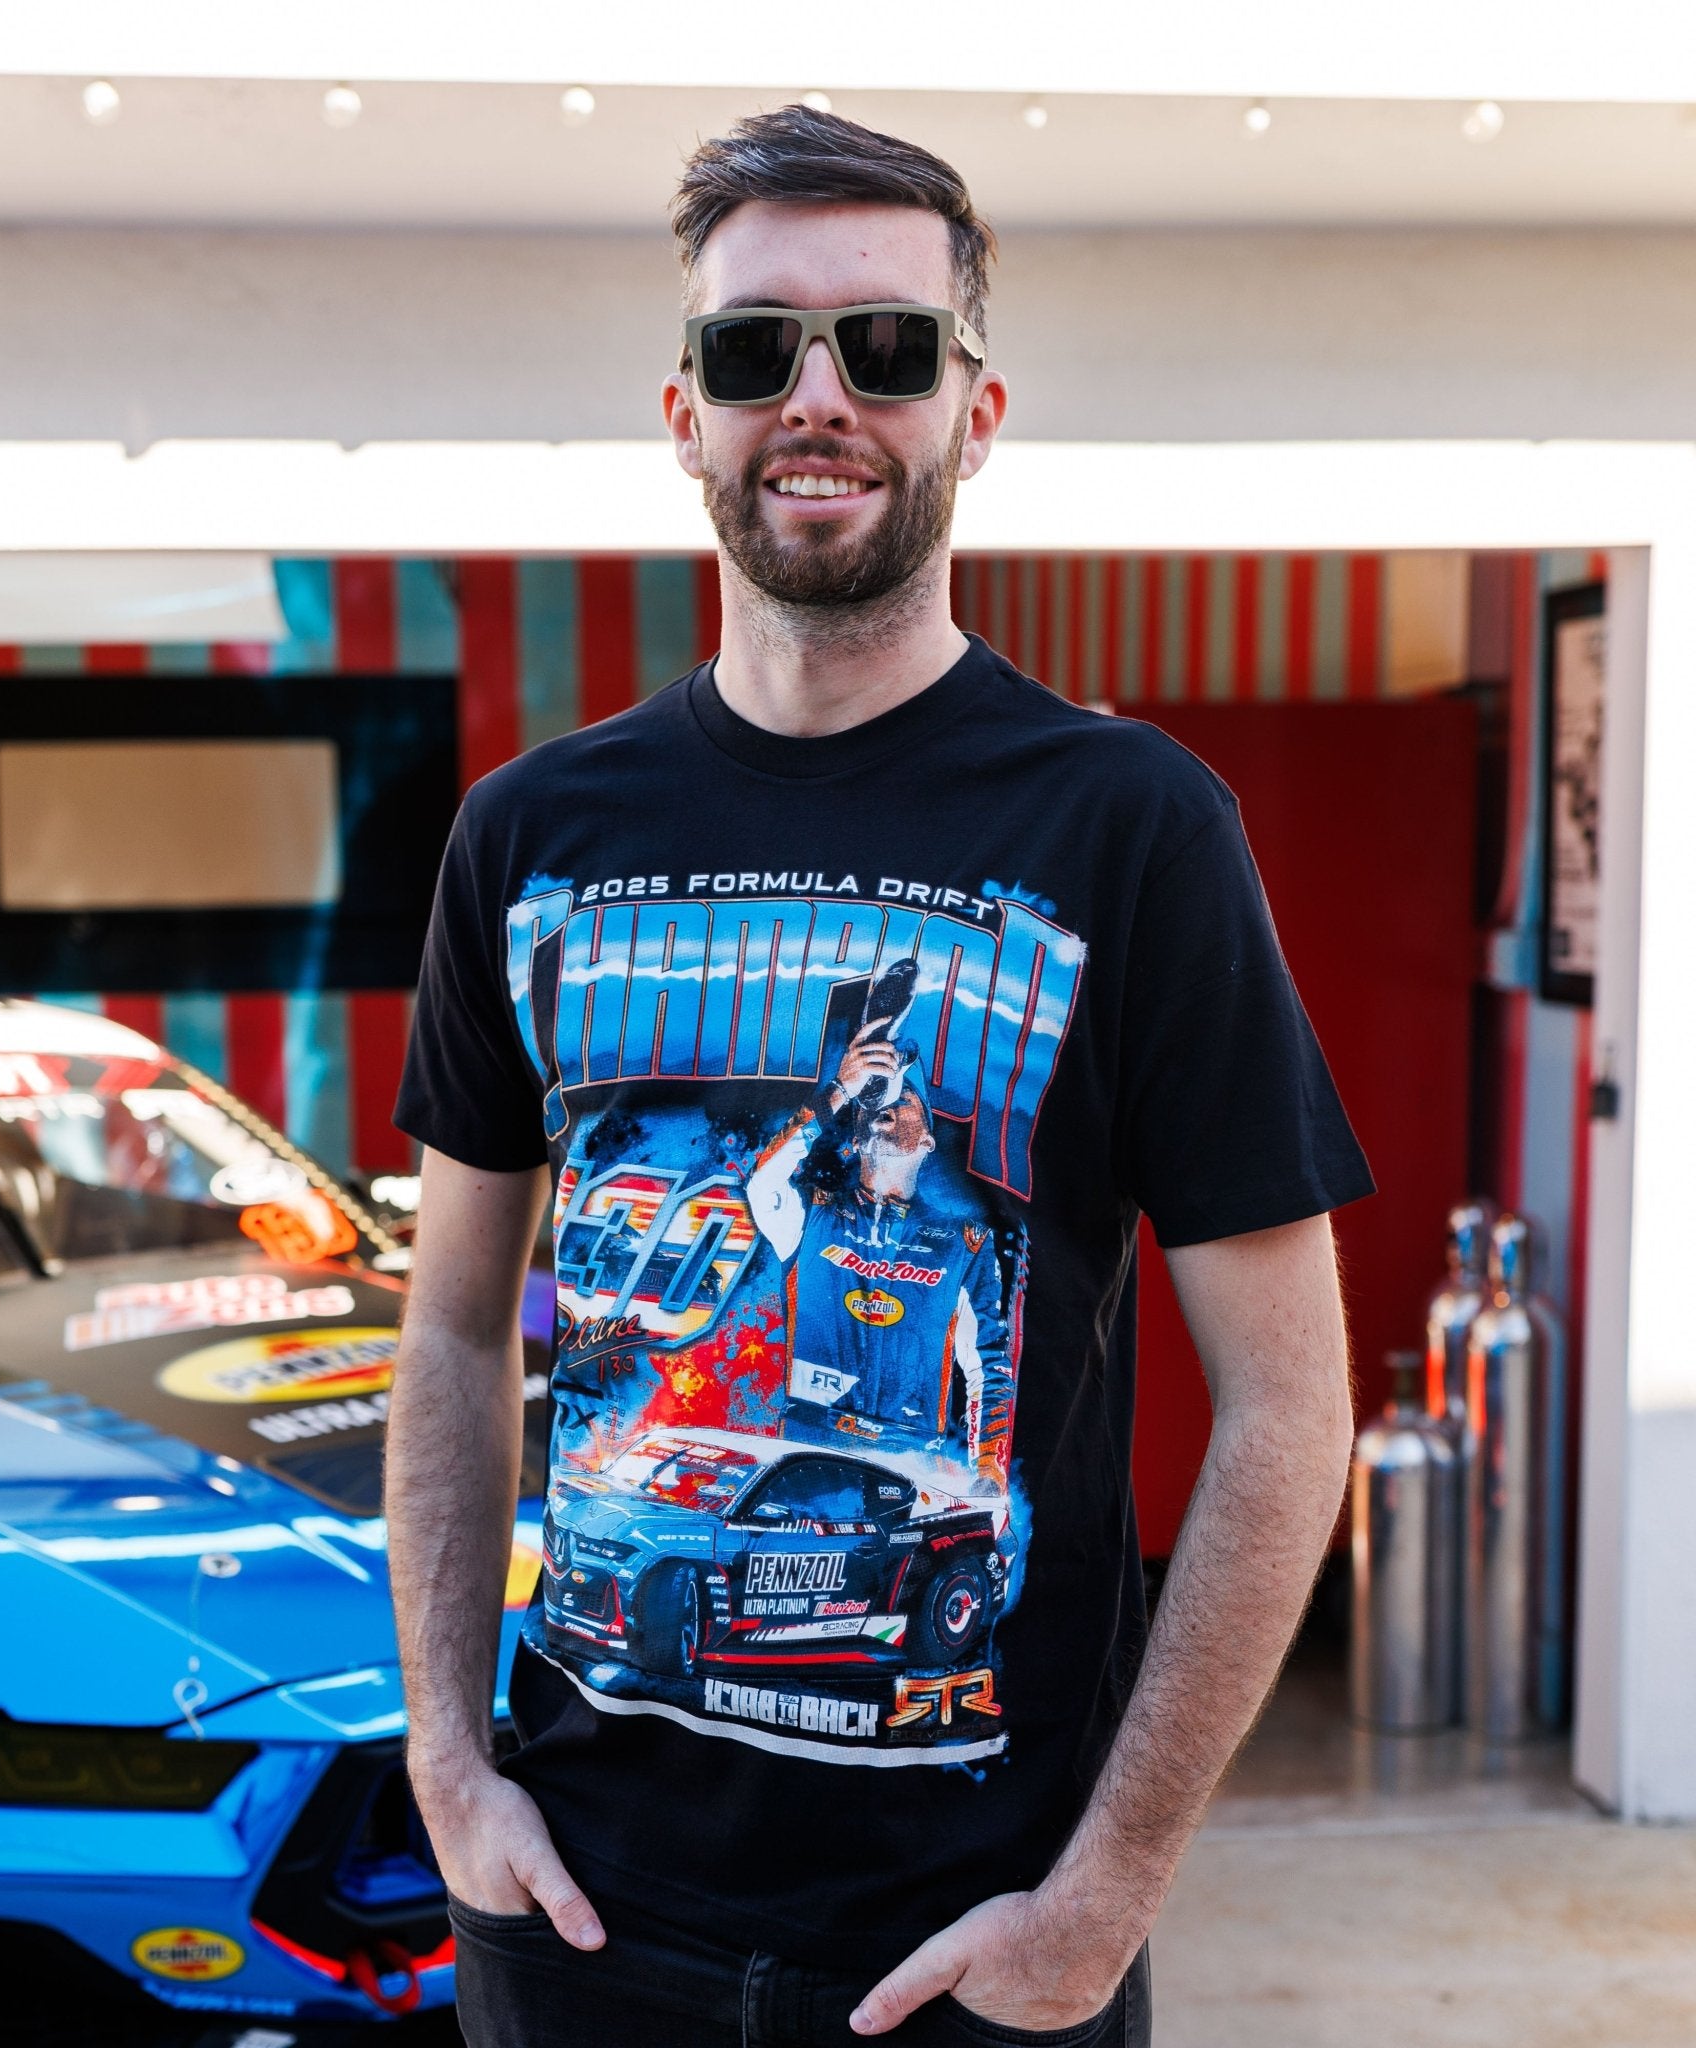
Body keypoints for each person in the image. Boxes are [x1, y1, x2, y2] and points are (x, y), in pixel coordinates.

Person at [385, 105, 1370, 2048]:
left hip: (977, 1955)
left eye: (886, 346)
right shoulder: (529, 834)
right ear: (685, 413)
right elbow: (451, 1331)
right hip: (579, 1930)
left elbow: (1287, 1408)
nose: (817, 395)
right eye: (756, 347)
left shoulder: (1132, 825)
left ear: (973, 414)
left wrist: (1105, 1892)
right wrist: (447, 1767)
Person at [747, 1020, 1014, 1486]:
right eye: (875, 1102)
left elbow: (987, 1365)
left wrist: (988, 1469)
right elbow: (762, 1182)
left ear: (927, 1140)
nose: (886, 1105)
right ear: (855, 1138)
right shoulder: (811, 1213)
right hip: (806, 1453)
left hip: (909, 1464)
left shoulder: (964, 1242)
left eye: (904, 1099)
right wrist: (839, 1091)